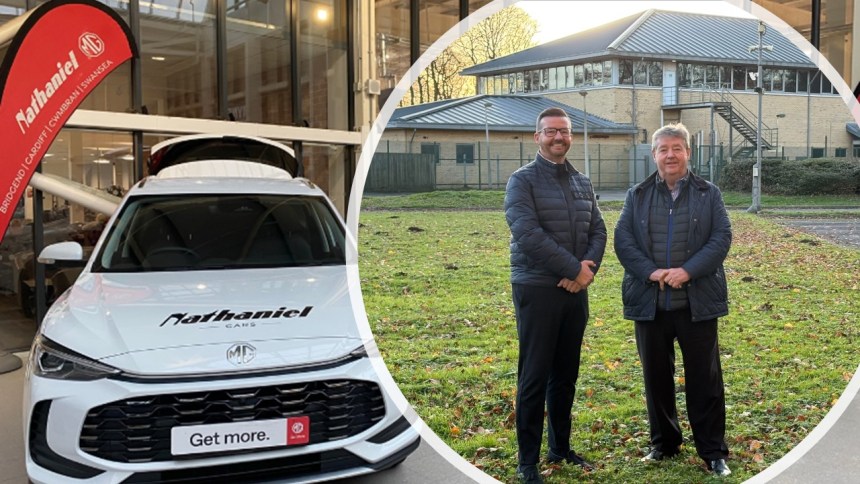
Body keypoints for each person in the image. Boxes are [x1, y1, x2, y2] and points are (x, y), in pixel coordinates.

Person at [614, 123, 732, 477]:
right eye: (663, 149)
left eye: (677, 148)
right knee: (656, 378)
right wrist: (651, 272)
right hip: (650, 303)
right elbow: (624, 241)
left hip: (697, 303)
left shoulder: (708, 193)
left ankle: (712, 451)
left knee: (705, 380)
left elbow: (721, 237)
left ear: (688, 152)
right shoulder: (636, 195)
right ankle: (664, 443)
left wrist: (687, 271)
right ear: (654, 155)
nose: (670, 155)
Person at [504, 107, 607, 483]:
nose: (558, 137)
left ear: (571, 136)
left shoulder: (582, 181)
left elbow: (598, 229)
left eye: (563, 131)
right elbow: (527, 233)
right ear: (537, 137)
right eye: (550, 132)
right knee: (534, 375)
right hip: (536, 288)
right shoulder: (522, 181)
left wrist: (586, 272)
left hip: (575, 290)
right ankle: (527, 460)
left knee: (565, 374)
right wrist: (572, 269)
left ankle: (559, 448)